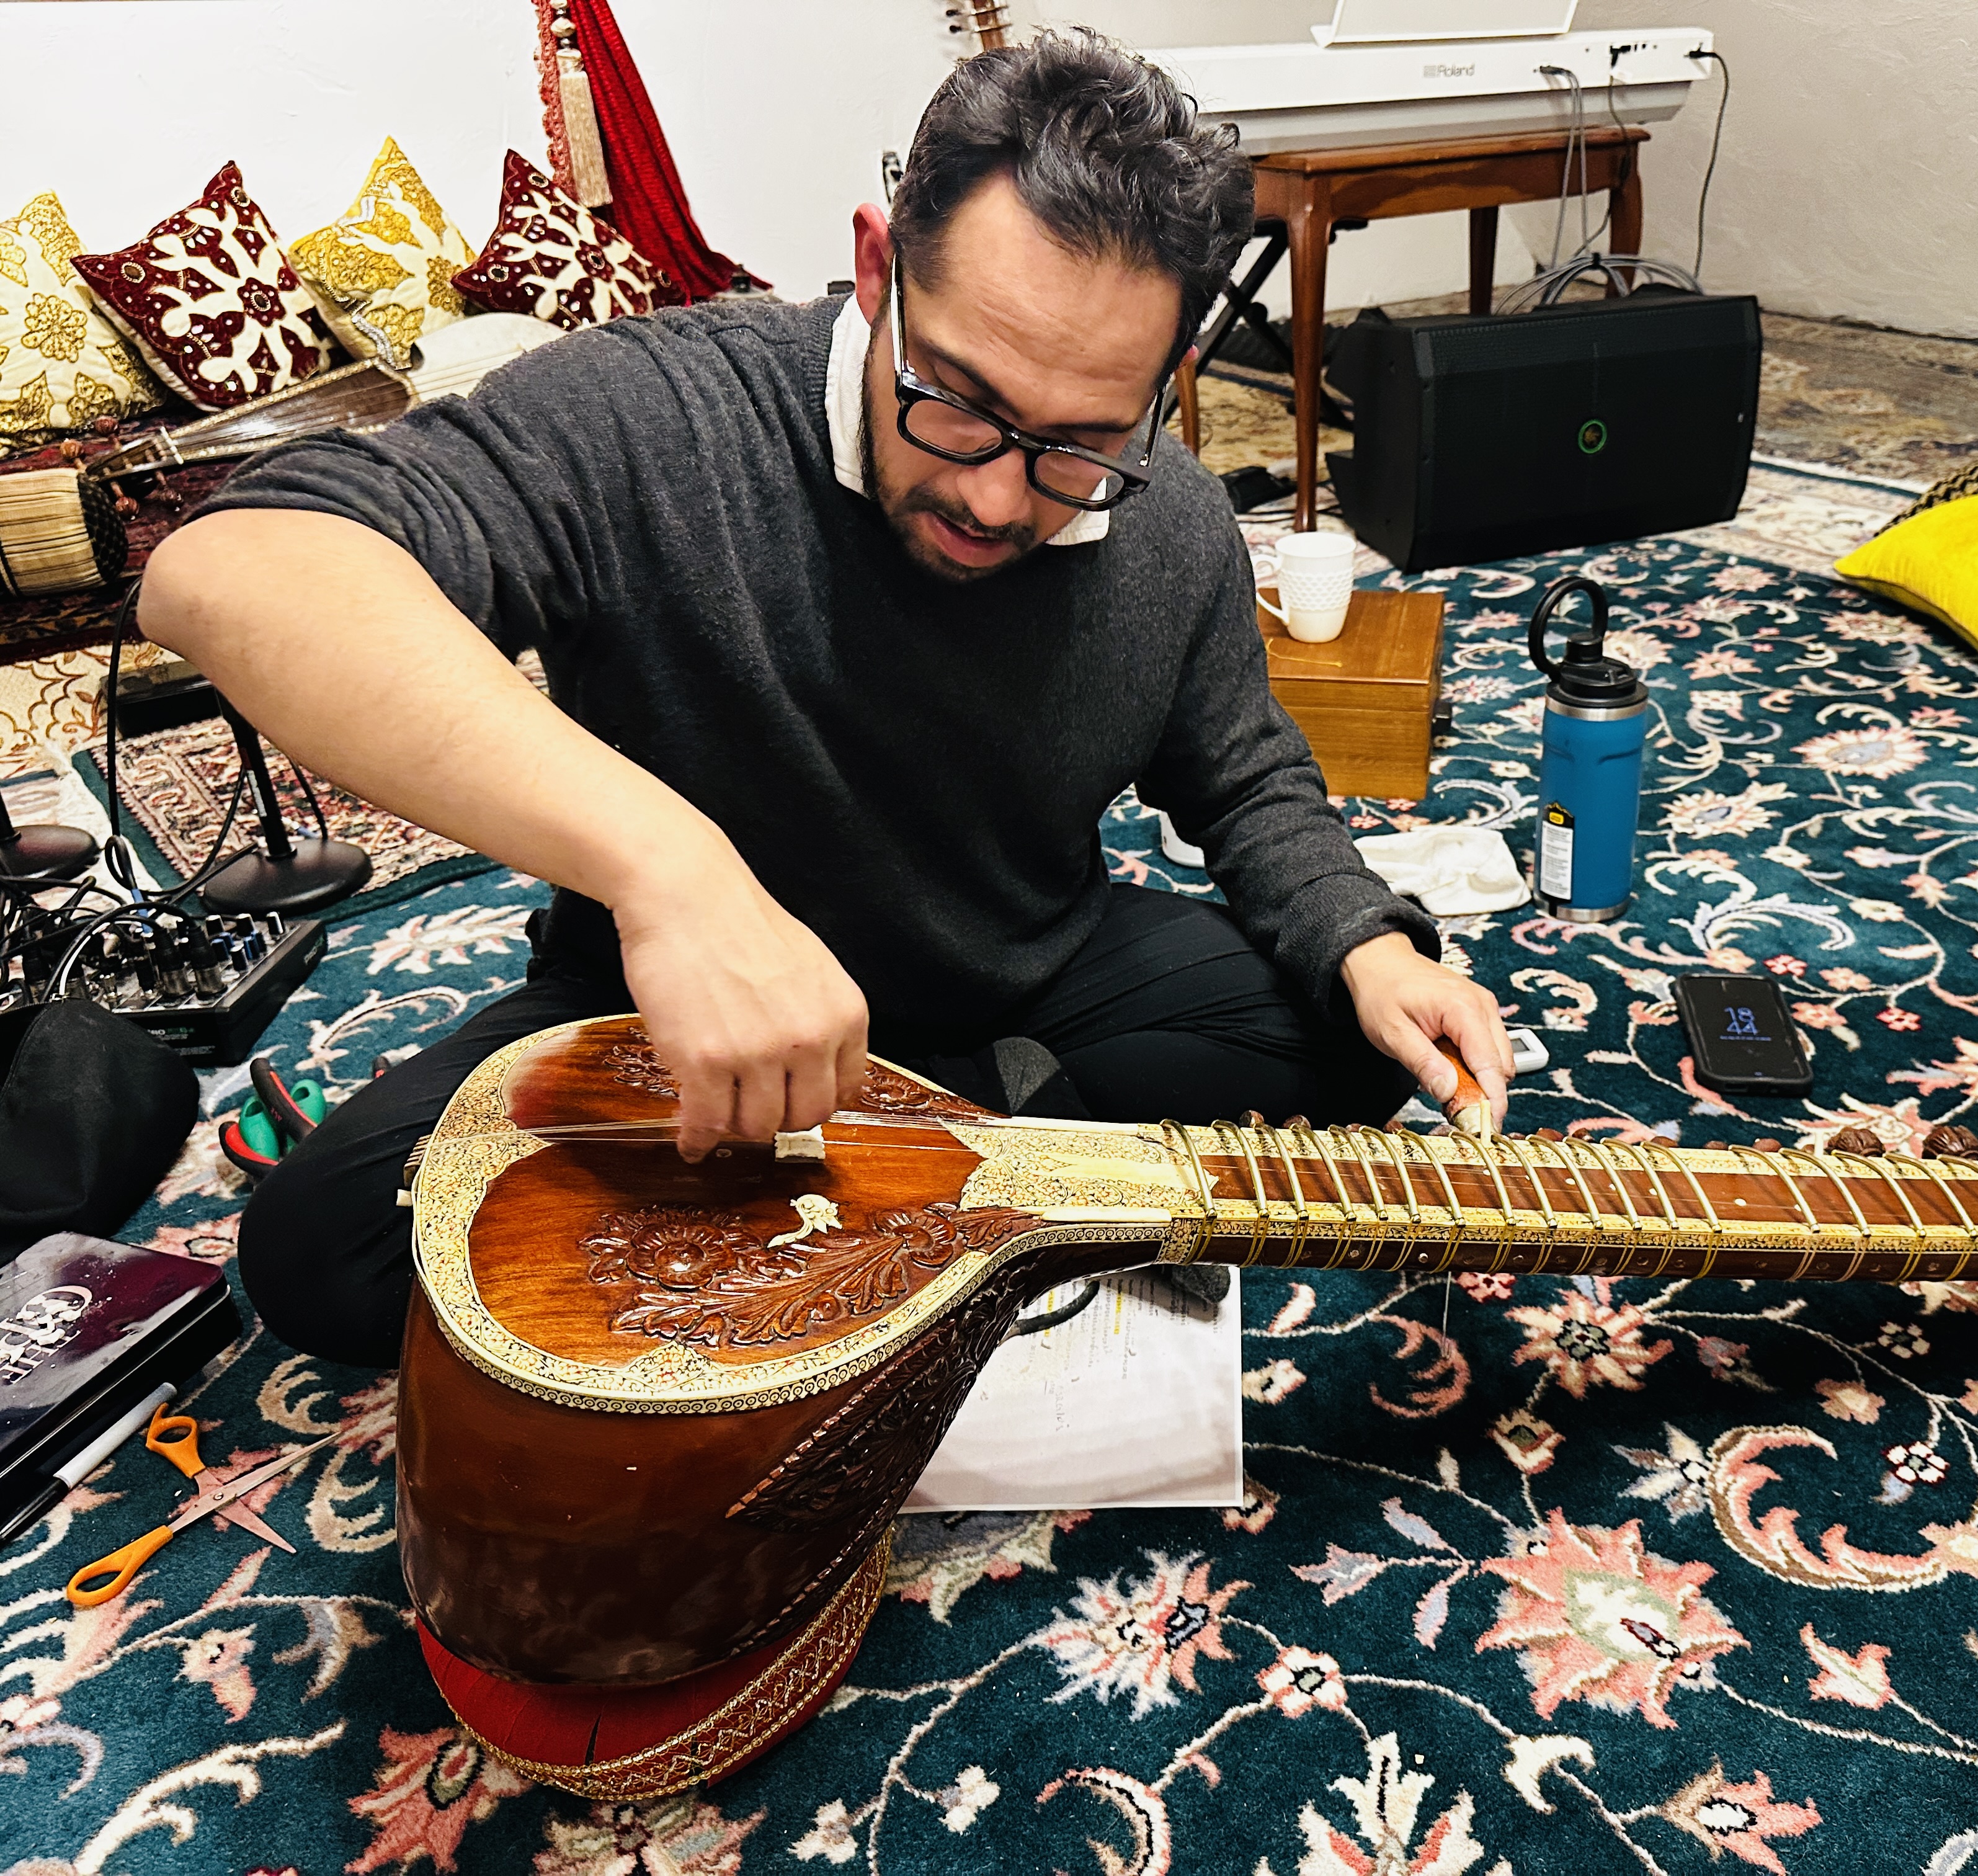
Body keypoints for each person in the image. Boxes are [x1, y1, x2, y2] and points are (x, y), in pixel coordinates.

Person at [140, 32, 1513, 1369]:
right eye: (959, 402)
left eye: (1079, 446)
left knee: (1351, 1039)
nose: (995, 492)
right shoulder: (656, 412)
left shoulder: (1175, 523)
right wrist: (673, 874)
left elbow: (1244, 773)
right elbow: (234, 570)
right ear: (877, 265)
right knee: (329, 1256)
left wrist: (1365, 943)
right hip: (665, 1031)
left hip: (1019, 975)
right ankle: (958, 1173)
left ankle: (910, 1159)